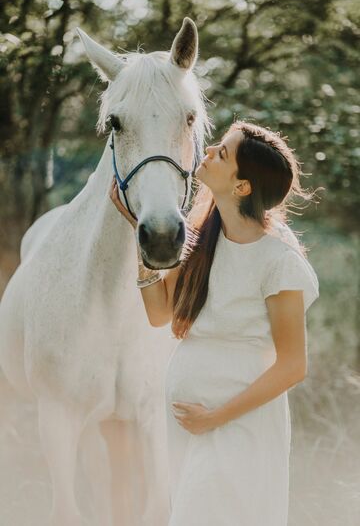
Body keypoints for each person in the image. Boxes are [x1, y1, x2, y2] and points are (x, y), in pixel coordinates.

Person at [109, 120, 319, 526]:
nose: (207, 153)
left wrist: (216, 417)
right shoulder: (199, 236)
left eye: (222, 153)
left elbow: (293, 365)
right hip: (189, 424)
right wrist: (142, 238)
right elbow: (159, 313)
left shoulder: (279, 262)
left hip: (239, 423)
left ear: (242, 186)